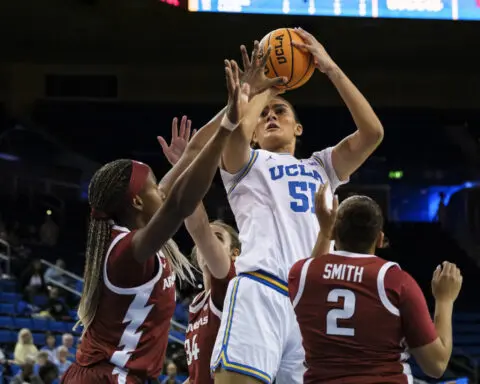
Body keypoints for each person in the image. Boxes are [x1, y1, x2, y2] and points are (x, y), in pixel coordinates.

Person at [61, 63, 257, 384]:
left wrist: (243, 96)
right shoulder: (127, 252)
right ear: (137, 202)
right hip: (107, 377)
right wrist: (229, 125)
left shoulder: (134, 231)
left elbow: (192, 153)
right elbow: (180, 203)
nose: (160, 189)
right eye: (154, 185)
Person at [211, 29, 384, 384]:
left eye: (281, 111)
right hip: (261, 290)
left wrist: (331, 68)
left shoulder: (321, 167)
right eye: (264, 116)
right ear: (255, 132)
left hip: (312, 305)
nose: (271, 116)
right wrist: (265, 89)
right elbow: (236, 134)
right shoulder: (245, 162)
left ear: (299, 128)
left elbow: (372, 133)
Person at [289, 194, 463, 383]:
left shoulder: (302, 273)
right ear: (380, 239)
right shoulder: (395, 280)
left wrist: (325, 231)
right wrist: (445, 300)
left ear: (334, 233)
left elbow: (317, 269)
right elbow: (436, 365)